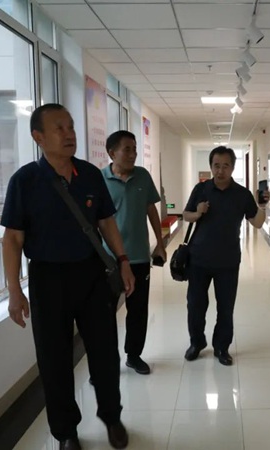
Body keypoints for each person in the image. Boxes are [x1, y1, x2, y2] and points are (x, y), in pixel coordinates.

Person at [1, 103, 135, 450]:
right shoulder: (25, 181)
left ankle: (112, 416)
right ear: (38, 137)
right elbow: (12, 238)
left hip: (90, 274)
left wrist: (123, 260)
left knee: (105, 353)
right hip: (47, 279)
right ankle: (66, 433)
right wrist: (14, 290)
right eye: (59, 128)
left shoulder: (89, 174)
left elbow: (106, 222)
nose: (69, 134)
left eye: (71, 126)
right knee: (54, 360)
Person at [183, 146, 267, 366]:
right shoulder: (201, 189)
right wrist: (198, 212)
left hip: (227, 261)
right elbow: (186, 215)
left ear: (232, 168)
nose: (220, 171)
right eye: (216, 166)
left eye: (225, 166)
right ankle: (197, 343)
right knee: (195, 305)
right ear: (211, 166)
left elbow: (257, 223)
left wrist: (262, 205)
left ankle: (222, 347)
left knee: (226, 307)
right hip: (199, 259)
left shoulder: (242, 194)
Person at [101, 130, 166, 375]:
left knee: (138, 310)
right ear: (112, 153)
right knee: (104, 314)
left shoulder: (143, 176)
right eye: (126, 149)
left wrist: (160, 243)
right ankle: (106, 362)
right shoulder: (100, 180)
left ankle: (134, 355)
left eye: (134, 149)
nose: (132, 154)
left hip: (138, 256)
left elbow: (151, 210)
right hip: (108, 259)